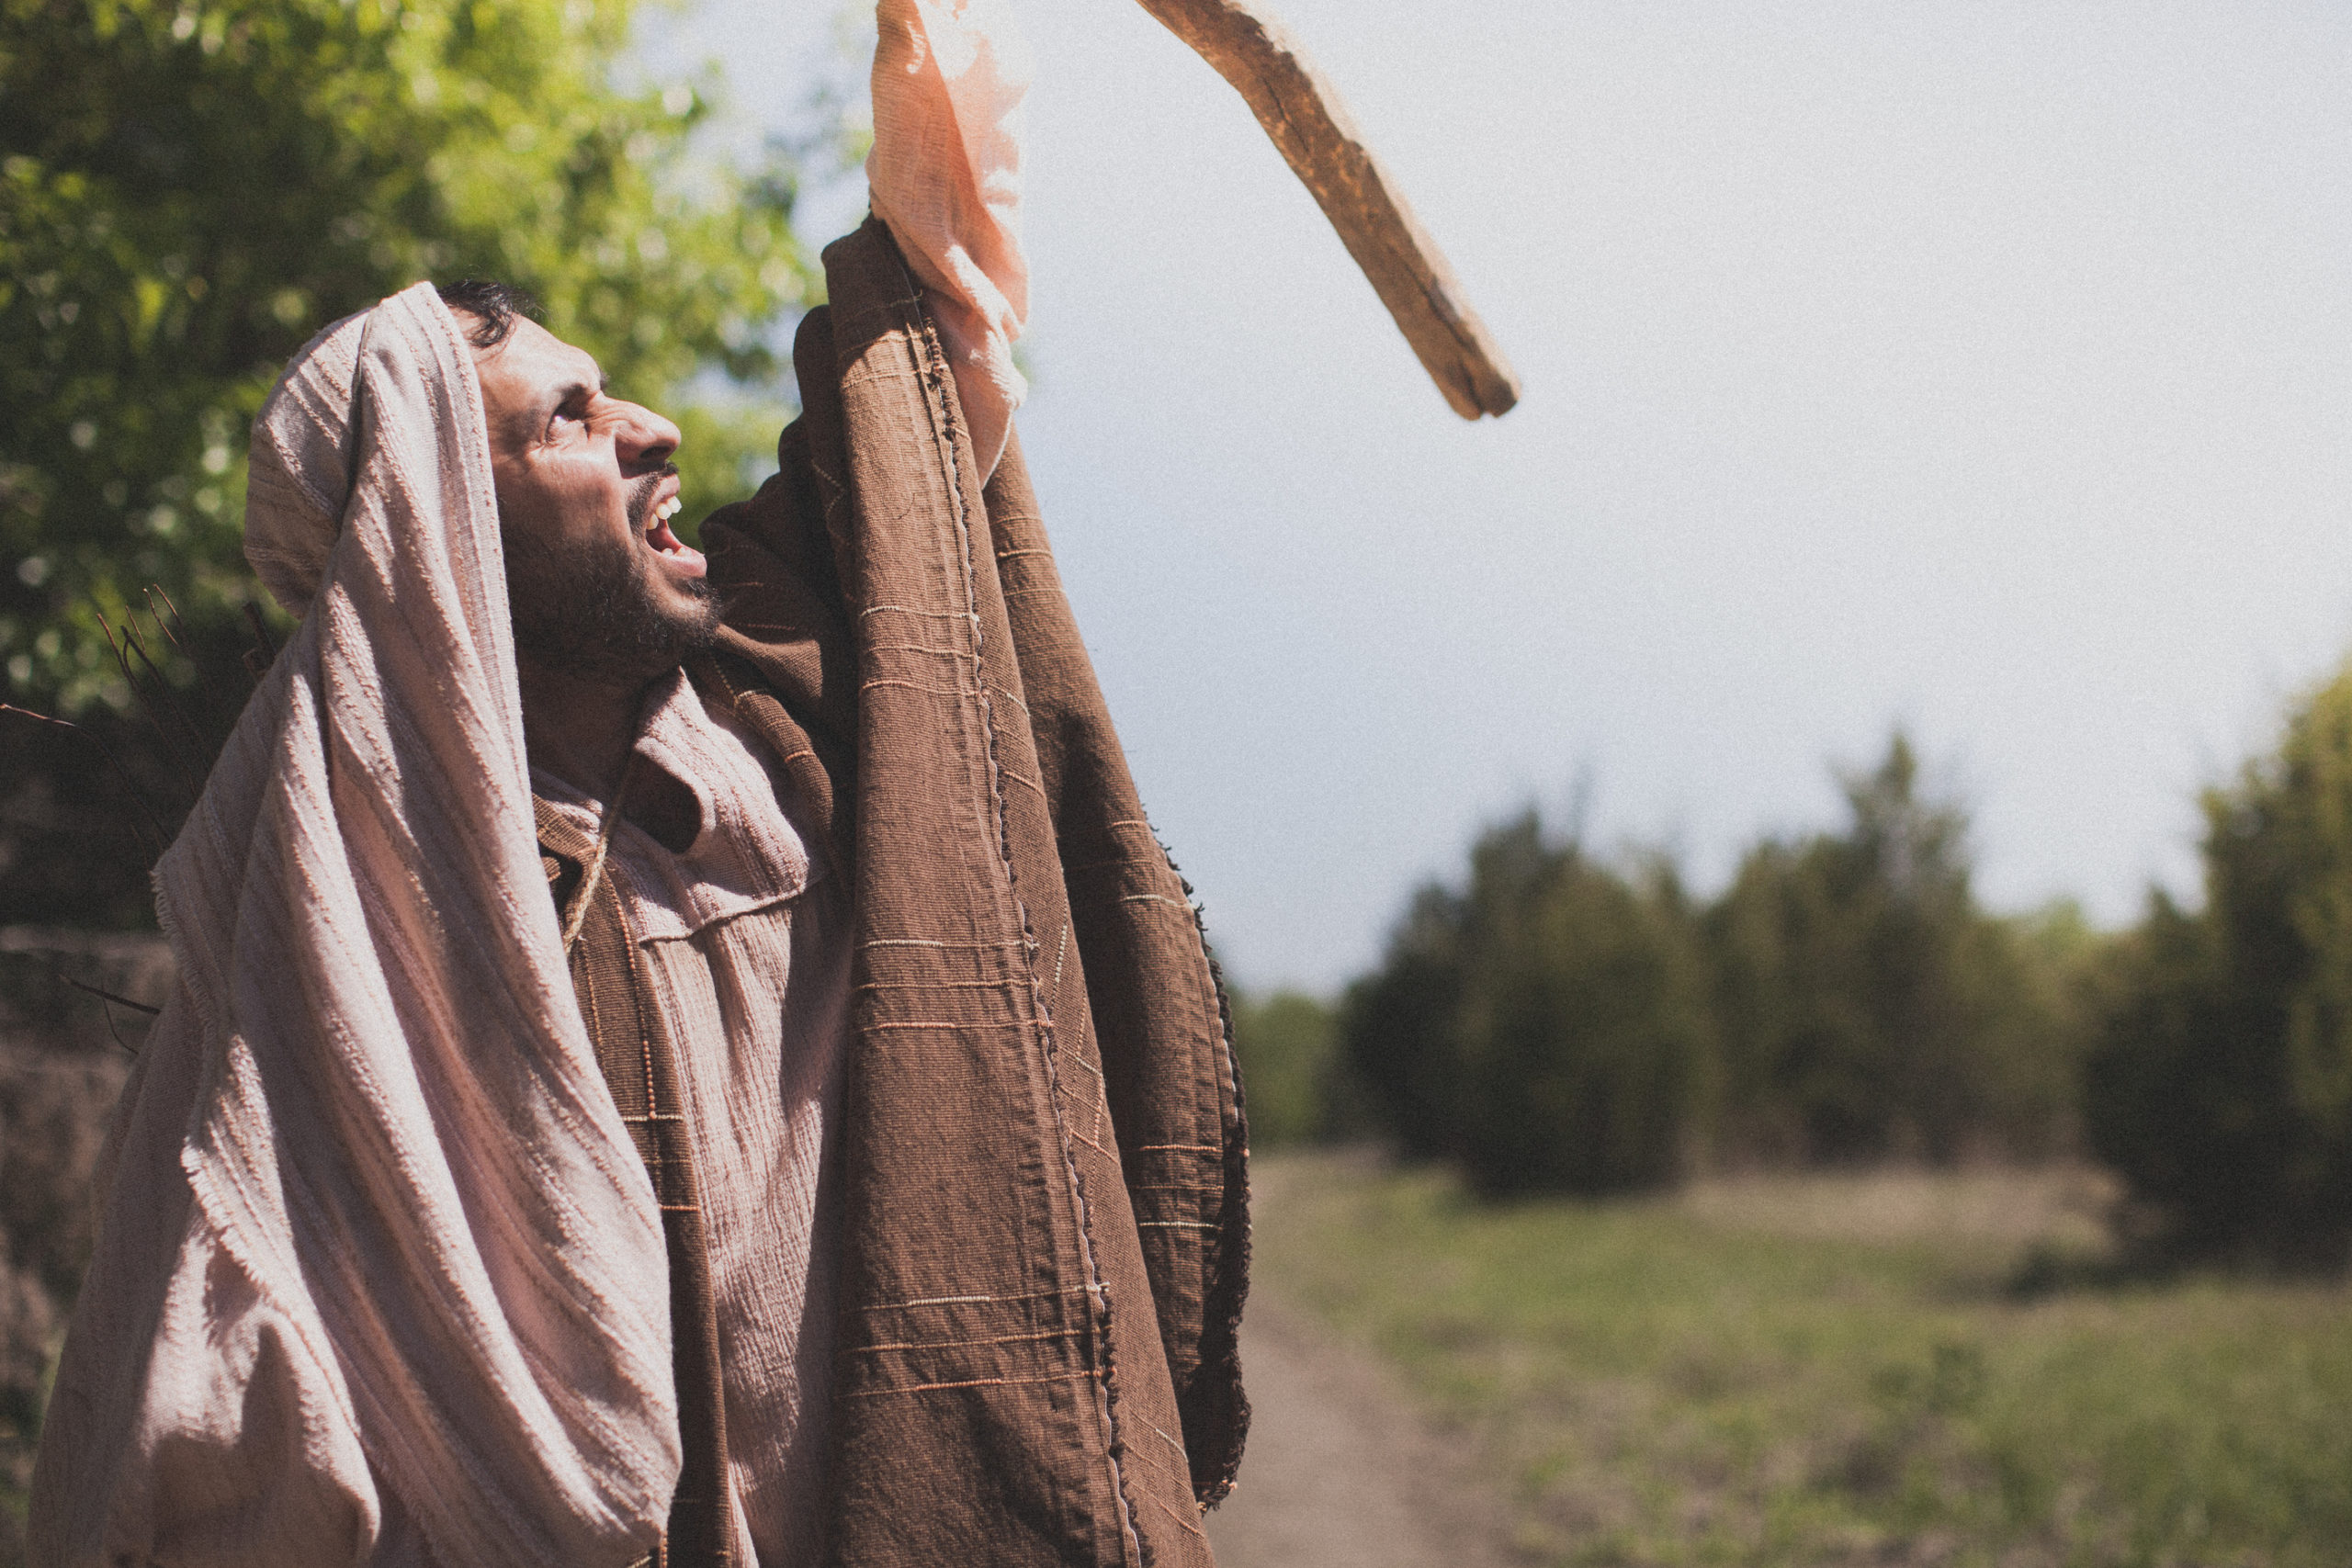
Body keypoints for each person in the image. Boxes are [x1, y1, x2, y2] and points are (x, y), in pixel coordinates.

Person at [28, 216, 1249, 1568]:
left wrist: (929, 135)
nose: (654, 426)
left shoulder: (799, 733)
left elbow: (904, 434)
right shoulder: (321, 987)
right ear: (432, 539)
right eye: (571, 418)